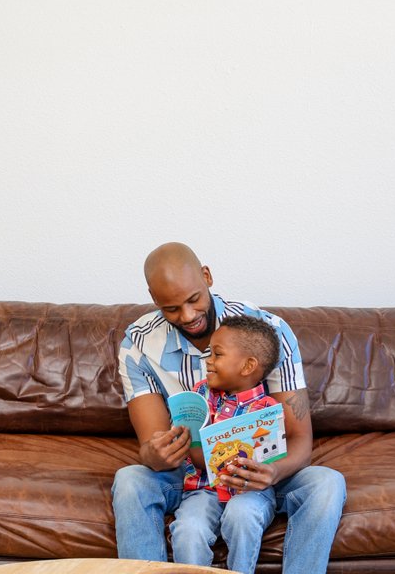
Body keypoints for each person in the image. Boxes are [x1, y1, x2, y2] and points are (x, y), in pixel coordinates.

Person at [112, 242, 346, 573]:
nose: (188, 316)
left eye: (194, 300)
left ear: (207, 276)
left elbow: (299, 438)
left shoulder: (267, 331)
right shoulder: (138, 345)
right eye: (172, 308)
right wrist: (155, 453)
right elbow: (150, 447)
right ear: (154, 299)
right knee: (130, 480)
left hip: (261, 474)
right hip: (192, 477)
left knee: (327, 482)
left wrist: (272, 473)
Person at [170, 314, 283, 574]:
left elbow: (270, 462)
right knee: (188, 529)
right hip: (203, 490)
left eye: (217, 355)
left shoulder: (267, 410)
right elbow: (196, 457)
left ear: (247, 366)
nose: (208, 361)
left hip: (249, 492)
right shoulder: (200, 395)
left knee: (242, 515)